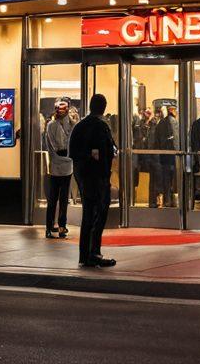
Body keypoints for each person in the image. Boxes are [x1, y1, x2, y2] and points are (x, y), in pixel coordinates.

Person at [69, 93, 117, 268]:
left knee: (89, 214)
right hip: (97, 177)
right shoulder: (100, 126)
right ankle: (93, 252)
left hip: (84, 176)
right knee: (97, 214)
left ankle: (86, 254)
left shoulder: (79, 126)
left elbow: (72, 152)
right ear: (103, 107)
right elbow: (110, 150)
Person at [44, 98, 75, 239]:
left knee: (63, 200)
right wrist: (70, 155)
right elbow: (59, 148)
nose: (62, 111)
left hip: (66, 167)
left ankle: (61, 226)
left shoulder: (72, 124)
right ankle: (50, 227)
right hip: (57, 167)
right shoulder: (52, 125)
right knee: (54, 199)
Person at [155, 103, 179, 208]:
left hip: (163, 155)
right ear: (173, 111)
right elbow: (175, 140)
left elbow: (157, 139)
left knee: (166, 179)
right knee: (173, 178)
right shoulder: (173, 121)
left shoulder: (160, 122)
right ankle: (173, 201)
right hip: (172, 156)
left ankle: (166, 201)